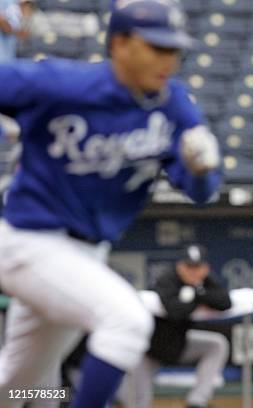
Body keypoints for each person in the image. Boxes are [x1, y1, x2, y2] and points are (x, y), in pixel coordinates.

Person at [0, 0, 222, 407]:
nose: (167, 60)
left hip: (85, 254)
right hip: (27, 240)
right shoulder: (61, 84)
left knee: (15, 384)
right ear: (119, 43)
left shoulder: (173, 106)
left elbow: (201, 193)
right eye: (156, 47)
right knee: (125, 321)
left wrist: (203, 170)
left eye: (174, 50)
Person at [117, 245, 231, 408]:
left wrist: (197, 293)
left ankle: (196, 402)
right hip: (147, 352)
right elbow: (175, 311)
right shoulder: (167, 279)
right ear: (180, 266)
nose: (193, 272)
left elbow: (225, 302)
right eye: (188, 267)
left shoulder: (204, 282)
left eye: (197, 267)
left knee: (217, 345)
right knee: (138, 404)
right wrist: (199, 299)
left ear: (205, 268)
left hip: (178, 345)